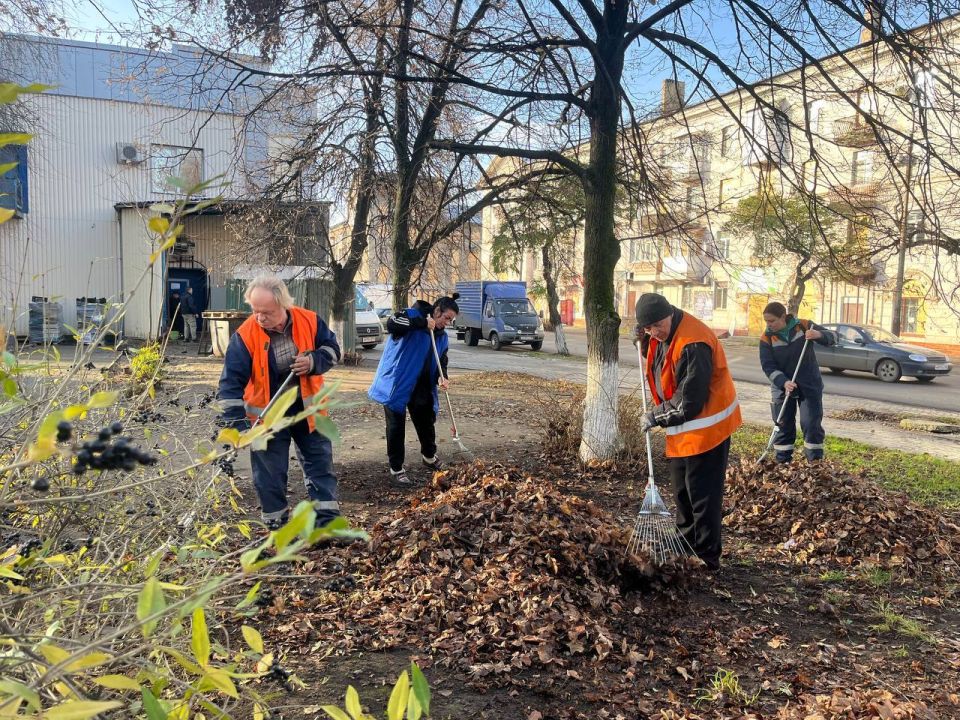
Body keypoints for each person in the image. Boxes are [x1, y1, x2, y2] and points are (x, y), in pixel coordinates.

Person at [216, 275, 342, 529]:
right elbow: (229, 385)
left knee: (320, 467)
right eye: (255, 311)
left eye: (267, 312)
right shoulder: (244, 336)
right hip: (266, 418)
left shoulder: (309, 320)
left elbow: (332, 349)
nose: (260, 317)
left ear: (284, 305)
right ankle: (278, 527)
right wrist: (236, 426)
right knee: (269, 476)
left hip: (308, 410)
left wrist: (313, 362)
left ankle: (326, 524)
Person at [635, 293, 742, 571]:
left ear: (670, 313)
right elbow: (662, 361)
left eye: (657, 325)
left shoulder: (694, 342)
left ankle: (707, 557)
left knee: (703, 496)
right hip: (683, 429)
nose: (654, 332)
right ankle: (686, 542)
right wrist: (645, 339)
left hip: (707, 427)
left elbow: (689, 401)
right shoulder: (662, 334)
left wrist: (655, 416)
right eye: (648, 328)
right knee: (683, 491)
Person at [368, 294, 459, 487]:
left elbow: (441, 359)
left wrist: (443, 376)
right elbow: (392, 324)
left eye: (451, 320)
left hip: (423, 385)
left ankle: (429, 457)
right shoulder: (410, 315)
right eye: (447, 318)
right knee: (395, 426)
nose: (448, 323)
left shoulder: (441, 336)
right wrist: (421, 323)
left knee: (427, 422)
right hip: (398, 383)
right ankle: (396, 468)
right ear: (437, 311)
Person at [759, 301, 838, 463]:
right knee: (783, 425)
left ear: (783, 316)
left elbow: (834, 337)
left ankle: (815, 463)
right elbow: (768, 366)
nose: (769, 325)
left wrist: (819, 335)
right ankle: (783, 463)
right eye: (766, 321)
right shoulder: (766, 338)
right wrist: (783, 382)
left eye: (772, 321)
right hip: (783, 388)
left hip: (809, 384)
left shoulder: (803, 326)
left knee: (811, 424)